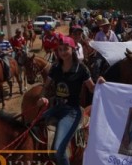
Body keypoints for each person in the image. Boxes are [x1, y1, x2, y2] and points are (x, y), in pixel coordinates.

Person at [37, 36, 96, 165]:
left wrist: (102, 83)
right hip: (56, 107)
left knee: (59, 150)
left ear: (73, 49)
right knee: (33, 127)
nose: (62, 52)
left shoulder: (81, 69)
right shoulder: (55, 67)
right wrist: (42, 96)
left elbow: (92, 89)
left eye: (65, 49)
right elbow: (46, 86)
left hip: (72, 112)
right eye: (60, 50)